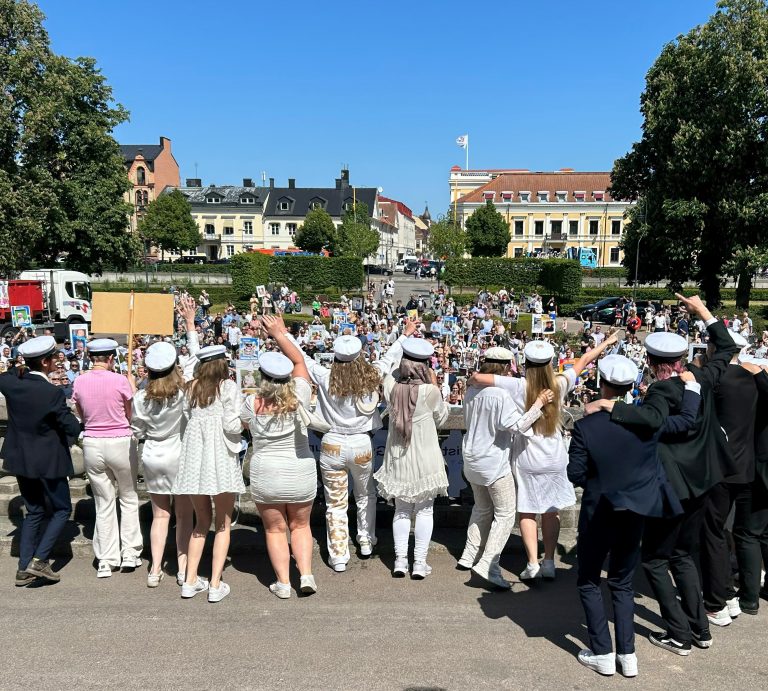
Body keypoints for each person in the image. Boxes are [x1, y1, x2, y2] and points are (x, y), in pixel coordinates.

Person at [588, 294, 739, 655]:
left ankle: (679, 633)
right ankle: (700, 629)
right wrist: (702, 311)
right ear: (682, 359)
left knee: (655, 559)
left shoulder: (660, 390)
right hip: (704, 479)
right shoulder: (700, 377)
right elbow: (727, 346)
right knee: (683, 555)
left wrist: (613, 407)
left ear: (654, 363)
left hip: (673, 486)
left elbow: (654, 420)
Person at [567, 354, 694, 677]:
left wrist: (597, 482)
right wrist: (693, 390)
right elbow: (684, 423)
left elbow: (575, 473)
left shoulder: (585, 426)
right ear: (633, 386)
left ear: (602, 383)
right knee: (622, 582)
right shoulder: (646, 422)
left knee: (589, 579)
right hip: (636, 508)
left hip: (600, 508)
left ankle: (602, 652)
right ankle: (627, 654)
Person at [469, 332, 619, 580]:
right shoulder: (559, 384)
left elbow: (477, 377)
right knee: (551, 511)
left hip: (527, 456)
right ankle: (549, 560)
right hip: (555, 455)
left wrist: (472, 380)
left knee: (527, 511)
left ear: (525, 363)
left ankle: (532, 563)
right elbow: (583, 361)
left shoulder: (518, 385)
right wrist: (606, 343)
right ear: (550, 363)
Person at [281, 320, 418, 572]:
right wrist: (404, 334)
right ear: (359, 356)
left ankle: (339, 554)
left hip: (332, 442)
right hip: (361, 443)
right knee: (366, 495)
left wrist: (283, 333)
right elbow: (390, 357)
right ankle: (366, 540)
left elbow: (300, 357)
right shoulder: (371, 374)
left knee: (335, 502)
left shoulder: (325, 376)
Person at [459, 347, 555, 589]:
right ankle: (488, 564)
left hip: (470, 457)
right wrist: (539, 404)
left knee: (481, 509)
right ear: (504, 368)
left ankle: (468, 555)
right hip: (492, 462)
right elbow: (519, 426)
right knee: (504, 514)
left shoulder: (471, 391)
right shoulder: (499, 395)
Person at [242, 318, 318, 600]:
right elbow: (299, 362)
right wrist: (279, 334)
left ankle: (284, 582)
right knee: (301, 526)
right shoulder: (299, 394)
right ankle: (306, 574)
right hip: (299, 469)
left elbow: (245, 426)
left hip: (266, 473)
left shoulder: (252, 403)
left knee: (275, 530)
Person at [1, 336, 82, 585]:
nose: (58, 362)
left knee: (33, 511)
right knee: (62, 509)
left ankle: (24, 566)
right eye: (54, 359)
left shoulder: (12, 383)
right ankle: (40, 560)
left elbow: (9, 374)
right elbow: (69, 426)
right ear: (46, 362)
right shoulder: (51, 392)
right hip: (49, 460)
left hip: (22, 457)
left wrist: (20, 365)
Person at [172, 344, 245, 603]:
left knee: (200, 522)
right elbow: (231, 424)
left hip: (195, 459)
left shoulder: (190, 388)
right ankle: (215, 583)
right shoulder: (228, 387)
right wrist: (246, 423)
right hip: (219, 458)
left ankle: (190, 581)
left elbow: (185, 416)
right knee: (223, 523)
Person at [374, 338, 450, 578]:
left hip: (398, 456)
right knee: (425, 511)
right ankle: (419, 562)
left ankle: (399, 561)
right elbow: (442, 419)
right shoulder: (430, 391)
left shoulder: (390, 387)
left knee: (402, 510)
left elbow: (388, 368)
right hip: (426, 456)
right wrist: (435, 382)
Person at [72, 338, 142, 578]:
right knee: (129, 498)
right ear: (111, 358)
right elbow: (130, 413)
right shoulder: (120, 380)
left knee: (103, 503)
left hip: (92, 442)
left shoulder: (79, 381)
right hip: (120, 440)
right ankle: (130, 551)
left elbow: (80, 413)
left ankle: (106, 558)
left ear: (92, 358)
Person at [130, 341, 194, 588]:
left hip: (153, 454)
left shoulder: (140, 397)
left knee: (160, 515)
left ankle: (155, 569)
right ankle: (182, 567)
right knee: (184, 514)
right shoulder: (182, 394)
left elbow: (137, 429)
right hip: (178, 453)